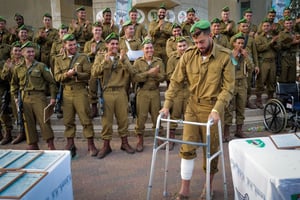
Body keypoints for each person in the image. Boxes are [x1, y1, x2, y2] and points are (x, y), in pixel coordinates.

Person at [160, 20, 234, 199]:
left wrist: (217, 109)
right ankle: (184, 190)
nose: (198, 46)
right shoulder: (189, 55)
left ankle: (207, 187)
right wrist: (166, 105)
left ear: (210, 36)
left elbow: (228, 87)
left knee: (211, 150)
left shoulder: (225, 56)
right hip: (192, 107)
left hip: (212, 108)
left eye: (201, 42)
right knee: (187, 147)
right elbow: (176, 81)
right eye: (195, 42)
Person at [91, 32, 135, 159]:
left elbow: (132, 72)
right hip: (107, 92)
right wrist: (105, 62)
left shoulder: (122, 56)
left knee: (123, 119)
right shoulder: (100, 57)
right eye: (112, 44)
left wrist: (123, 61)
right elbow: (94, 73)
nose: (115, 46)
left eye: (116, 43)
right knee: (106, 121)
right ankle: (106, 146)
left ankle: (125, 143)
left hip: (121, 92)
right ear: (107, 45)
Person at [54, 34, 98, 157]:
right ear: (64, 45)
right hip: (67, 92)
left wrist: (77, 74)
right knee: (68, 120)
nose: (73, 47)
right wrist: (66, 75)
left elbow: (89, 74)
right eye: (70, 45)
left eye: (74, 44)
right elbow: (57, 77)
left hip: (80, 91)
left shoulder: (83, 57)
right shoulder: (58, 59)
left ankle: (91, 144)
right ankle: (70, 144)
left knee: (86, 119)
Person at [10, 41, 57, 150]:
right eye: (28, 52)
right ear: (22, 53)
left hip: (38, 97)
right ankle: (32, 144)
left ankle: (50, 144)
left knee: (44, 121)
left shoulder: (41, 66)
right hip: (24, 97)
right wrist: (16, 98)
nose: (31, 54)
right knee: (28, 122)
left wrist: (53, 97)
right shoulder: (18, 68)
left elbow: (51, 82)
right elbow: (14, 84)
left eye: (32, 51)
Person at [132, 39, 166, 152]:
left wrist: (155, 75)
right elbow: (135, 78)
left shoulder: (158, 61)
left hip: (154, 92)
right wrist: (149, 73)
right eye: (147, 48)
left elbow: (163, 77)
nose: (149, 50)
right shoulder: (138, 62)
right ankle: (140, 140)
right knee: (141, 117)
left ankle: (159, 138)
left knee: (157, 117)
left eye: (151, 48)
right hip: (143, 92)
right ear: (143, 50)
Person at [224, 33, 253, 141]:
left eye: (242, 43)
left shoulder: (246, 54)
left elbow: (251, 68)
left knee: (241, 109)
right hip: (232, 84)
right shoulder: (229, 54)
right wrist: (235, 56)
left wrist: (246, 57)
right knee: (229, 109)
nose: (241, 45)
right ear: (234, 44)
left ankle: (239, 130)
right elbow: (230, 67)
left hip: (243, 84)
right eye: (238, 43)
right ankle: (226, 132)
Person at [165, 37, 190, 150]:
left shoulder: (192, 57)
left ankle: (189, 139)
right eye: (180, 46)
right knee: (174, 115)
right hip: (177, 90)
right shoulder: (172, 59)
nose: (182, 48)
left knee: (189, 115)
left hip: (189, 90)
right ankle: (171, 139)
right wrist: (180, 77)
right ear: (176, 47)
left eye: (184, 45)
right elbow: (169, 75)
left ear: (187, 46)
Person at [231, 18, 260, 109]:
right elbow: (229, 53)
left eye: (247, 26)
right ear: (239, 27)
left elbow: (255, 53)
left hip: (247, 63)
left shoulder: (251, 39)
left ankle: (247, 101)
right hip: (237, 64)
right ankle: (236, 103)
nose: (245, 27)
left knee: (248, 84)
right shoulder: (233, 38)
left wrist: (256, 65)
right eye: (243, 26)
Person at [1, 41, 26, 145]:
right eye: (15, 50)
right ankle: (17, 133)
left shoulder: (25, 61)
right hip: (13, 90)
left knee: (24, 114)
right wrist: (8, 68)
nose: (17, 52)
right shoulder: (8, 62)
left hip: (24, 89)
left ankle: (25, 133)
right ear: (11, 52)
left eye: (19, 50)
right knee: (16, 113)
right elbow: (3, 77)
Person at [84, 22, 106, 118]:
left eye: (99, 30)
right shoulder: (88, 44)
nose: (97, 32)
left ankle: (105, 107)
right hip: (92, 68)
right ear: (92, 31)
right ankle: (94, 107)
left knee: (104, 86)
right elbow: (84, 57)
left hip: (102, 68)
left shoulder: (105, 43)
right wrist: (91, 53)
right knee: (92, 86)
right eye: (96, 30)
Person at [255, 18, 280, 101]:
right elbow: (259, 48)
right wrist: (270, 43)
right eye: (264, 26)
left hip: (272, 62)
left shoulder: (273, 37)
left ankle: (270, 97)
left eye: (268, 26)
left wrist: (274, 43)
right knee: (261, 81)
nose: (266, 27)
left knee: (272, 81)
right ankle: (258, 99)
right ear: (262, 27)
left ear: (270, 27)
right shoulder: (258, 37)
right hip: (263, 62)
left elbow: (278, 48)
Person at [277, 17, 300, 83]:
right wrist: (292, 43)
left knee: (292, 78)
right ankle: (283, 92)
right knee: (283, 77)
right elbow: (280, 46)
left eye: (290, 23)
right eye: (287, 23)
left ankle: (291, 92)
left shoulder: (295, 33)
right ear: (284, 24)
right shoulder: (281, 34)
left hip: (293, 56)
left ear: (292, 24)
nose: (289, 25)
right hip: (284, 57)